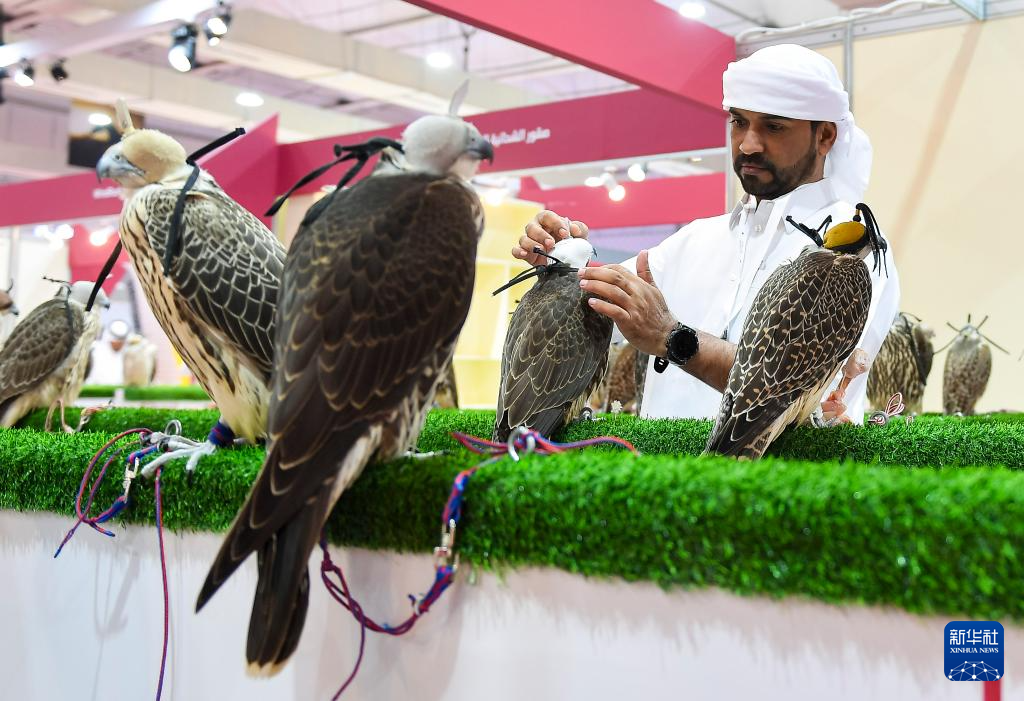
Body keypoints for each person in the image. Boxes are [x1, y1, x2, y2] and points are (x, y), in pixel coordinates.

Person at [513, 44, 900, 423]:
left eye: (774, 126)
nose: (748, 144)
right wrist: (560, 258)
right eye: (739, 121)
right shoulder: (694, 240)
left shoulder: (856, 254)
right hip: (660, 481)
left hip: (785, 484)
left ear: (825, 137)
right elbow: (591, 308)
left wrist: (672, 338)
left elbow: (798, 389)